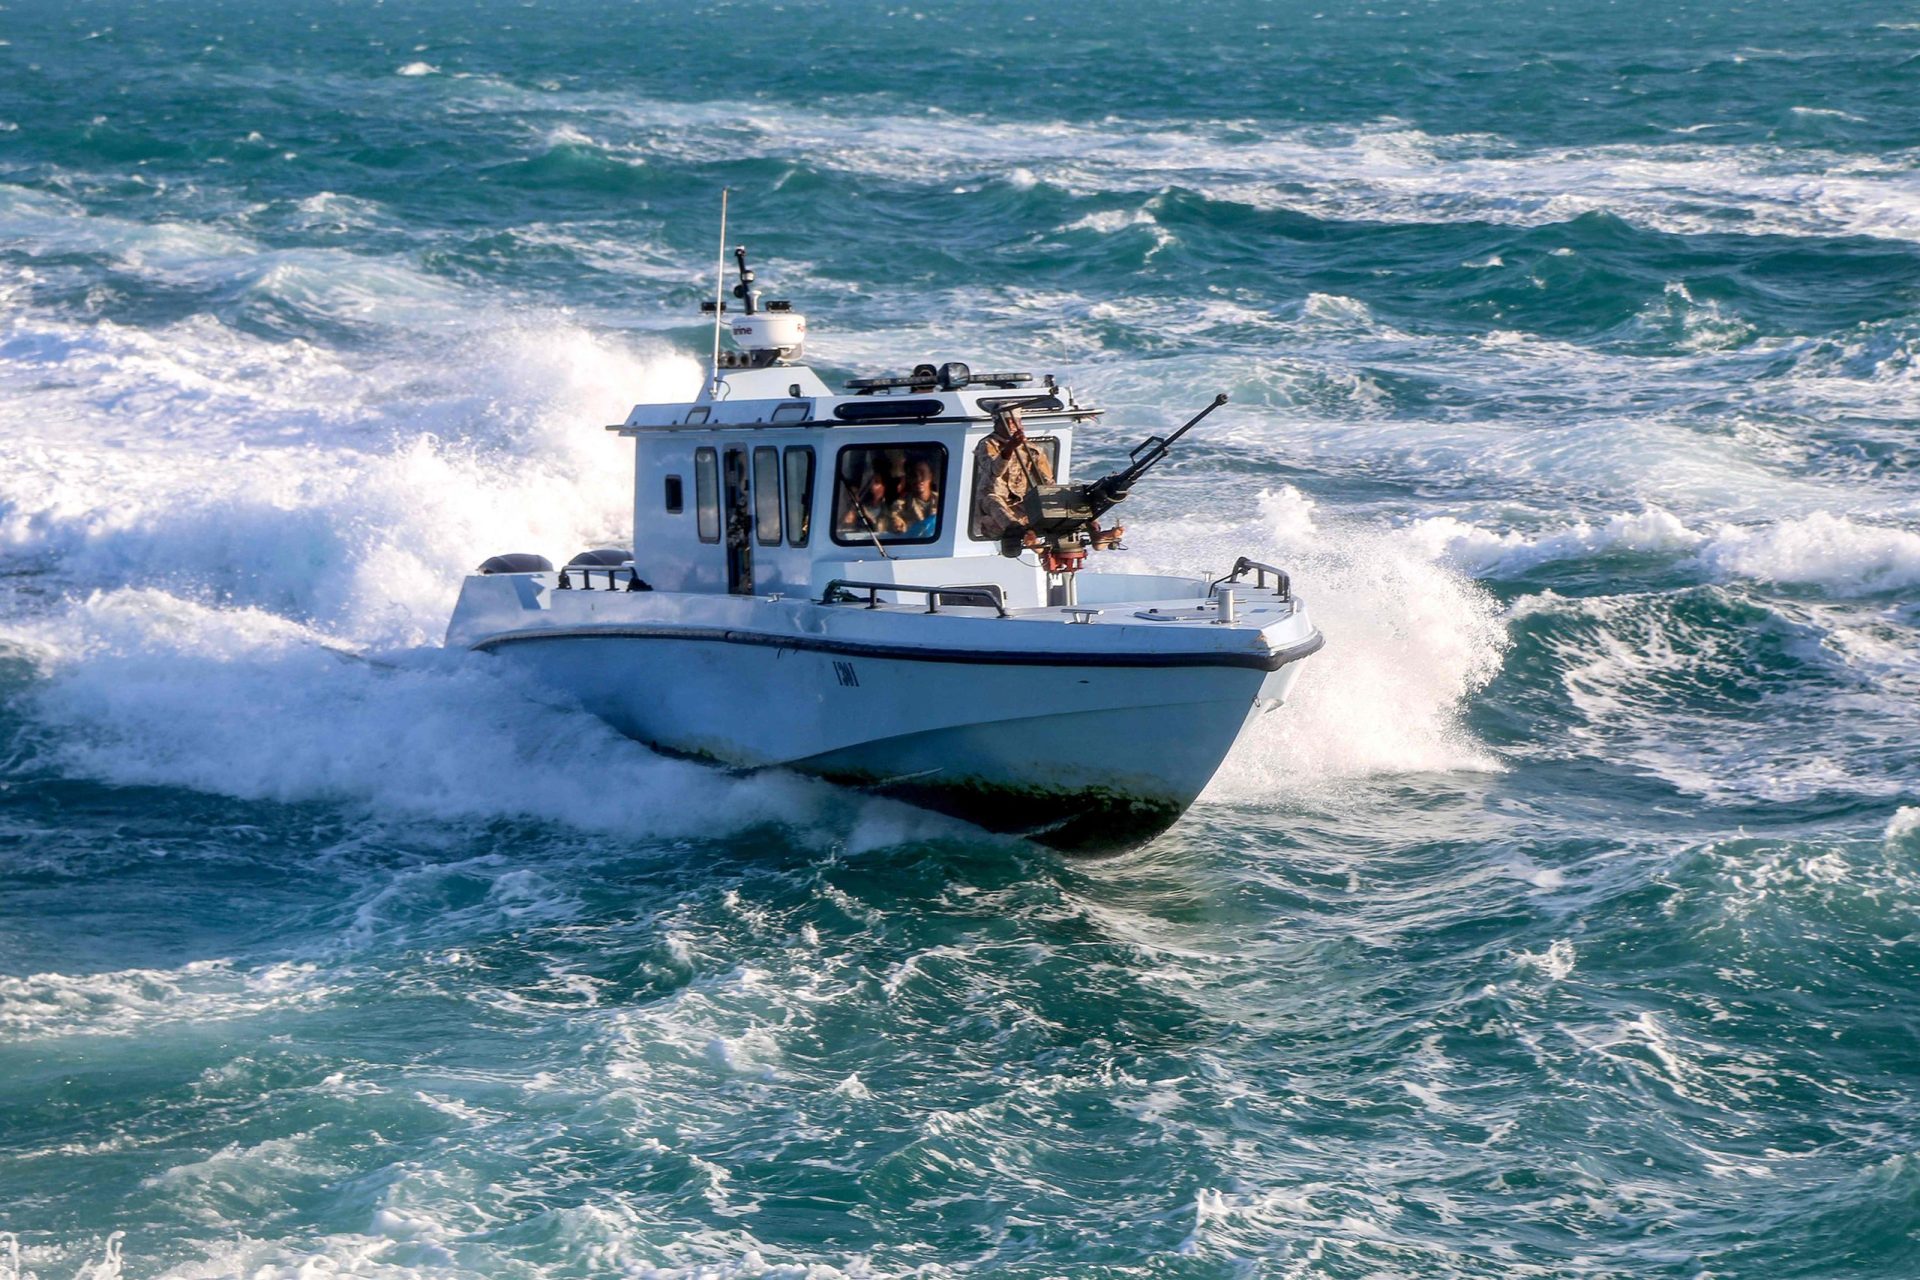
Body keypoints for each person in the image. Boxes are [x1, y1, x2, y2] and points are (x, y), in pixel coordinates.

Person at [971, 407, 1055, 545]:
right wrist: (1009, 448)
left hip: (1017, 502)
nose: (1012, 425)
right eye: (1007, 422)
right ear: (997, 425)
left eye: (1016, 422)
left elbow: (1047, 482)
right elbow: (994, 471)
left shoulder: (1032, 449)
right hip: (989, 501)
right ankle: (1020, 532)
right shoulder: (987, 444)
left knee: (1044, 503)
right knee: (994, 503)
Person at [891, 456, 940, 538]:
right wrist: (897, 525)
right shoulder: (901, 505)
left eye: (922, 473)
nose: (918, 479)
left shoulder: (944, 501)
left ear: (931, 476)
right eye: (914, 475)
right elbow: (895, 519)